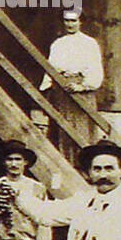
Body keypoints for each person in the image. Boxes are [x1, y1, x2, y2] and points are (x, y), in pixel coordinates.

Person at [39, 8, 104, 151]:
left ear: (81, 22)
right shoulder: (58, 44)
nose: (70, 24)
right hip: (61, 91)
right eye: (67, 20)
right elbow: (51, 68)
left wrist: (82, 86)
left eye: (73, 20)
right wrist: (48, 87)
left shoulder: (89, 43)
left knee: (82, 128)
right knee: (61, 129)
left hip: (82, 91)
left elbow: (95, 69)